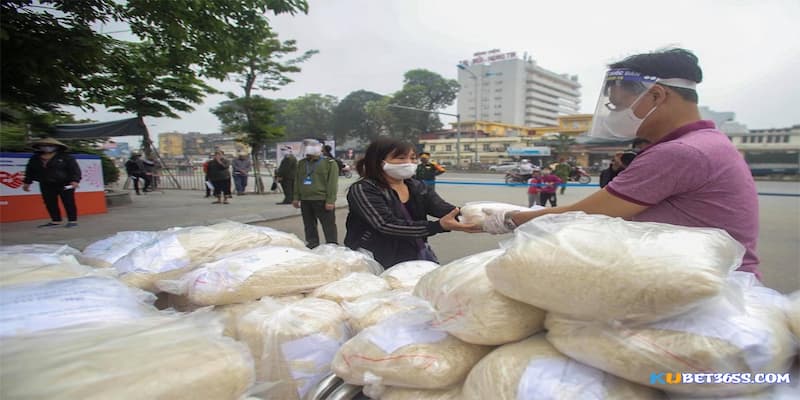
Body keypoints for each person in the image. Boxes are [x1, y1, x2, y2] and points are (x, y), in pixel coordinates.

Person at [482, 48, 762, 279]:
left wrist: (506, 219)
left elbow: (584, 215)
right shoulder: (706, 142)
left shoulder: (681, 152)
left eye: (618, 105)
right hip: (699, 276)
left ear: (656, 96)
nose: (614, 114)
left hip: (709, 288)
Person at [344, 138, 479, 268]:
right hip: (375, 258)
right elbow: (386, 225)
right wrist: (438, 226)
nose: (409, 162)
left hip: (412, 254)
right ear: (380, 161)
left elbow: (443, 208)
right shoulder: (364, 189)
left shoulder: (417, 186)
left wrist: (482, 216)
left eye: (413, 158)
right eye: (401, 158)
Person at [22, 138, 81, 228]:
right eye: (44, 145)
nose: (46, 147)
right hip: (45, 183)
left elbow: (75, 169)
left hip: (65, 183)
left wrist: (75, 180)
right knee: (50, 202)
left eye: (50, 145)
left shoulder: (66, 157)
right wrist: (27, 182)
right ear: (39, 147)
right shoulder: (35, 158)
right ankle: (56, 220)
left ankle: (72, 220)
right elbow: (30, 171)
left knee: (68, 202)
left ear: (56, 147)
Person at [293, 139, 339, 248]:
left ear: (320, 147)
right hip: (306, 200)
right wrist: (296, 197)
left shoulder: (329, 163)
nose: (308, 147)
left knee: (329, 226)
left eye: (312, 145)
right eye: (307, 145)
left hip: (322, 200)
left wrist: (330, 200)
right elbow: (297, 181)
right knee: (309, 225)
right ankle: (312, 244)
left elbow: (332, 184)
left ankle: (332, 246)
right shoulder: (302, 163)